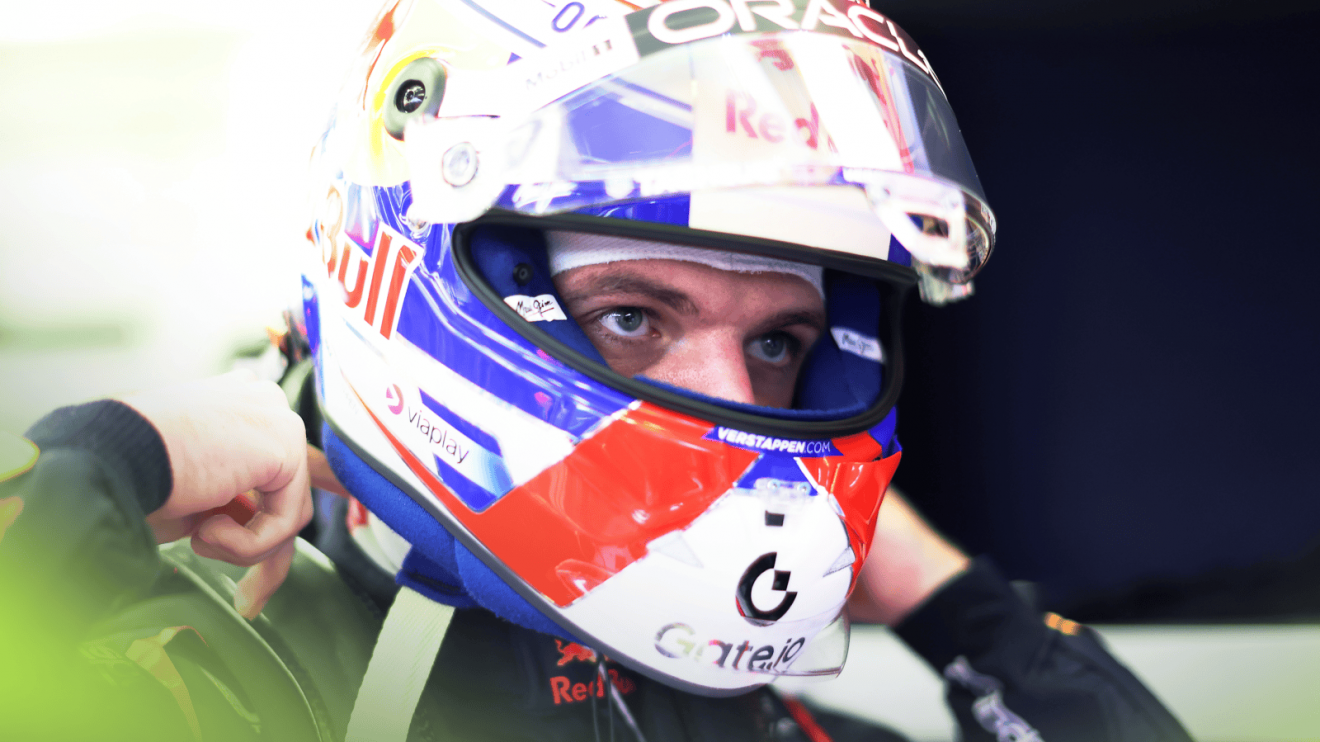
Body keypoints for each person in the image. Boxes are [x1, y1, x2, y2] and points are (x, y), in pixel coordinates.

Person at [0, 0, 1196, 740]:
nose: (739, 411)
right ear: (408, 289)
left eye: (779, 344)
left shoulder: (735, 711)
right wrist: (122, 451)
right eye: (633, 315)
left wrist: (929, 582)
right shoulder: (234, 674)